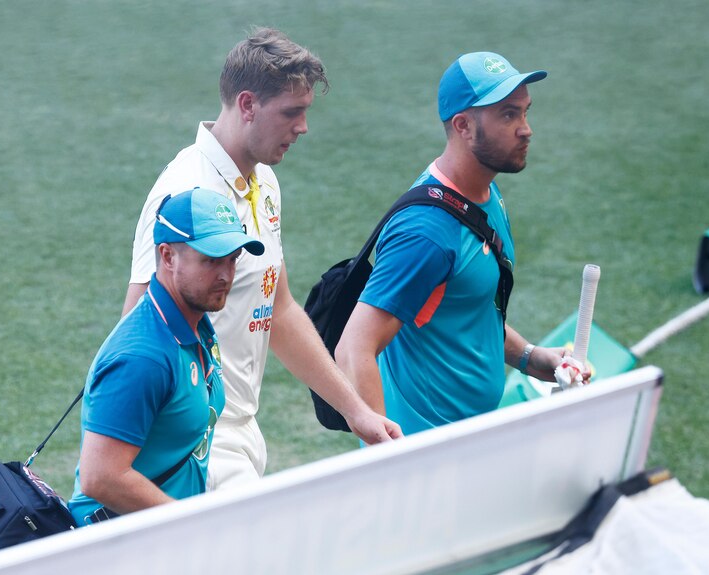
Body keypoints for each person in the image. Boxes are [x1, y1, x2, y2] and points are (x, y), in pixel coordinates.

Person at [123, 28, 401, 490]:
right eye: (292, 112)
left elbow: (279, 307)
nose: (304, 127)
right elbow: (137, 322)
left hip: (243, 430)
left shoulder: (264, 182)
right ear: (248, 104)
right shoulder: (185, 191)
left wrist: (357, 411)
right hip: (193, 441)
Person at [335, 52, 590, 436]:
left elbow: (467, 310)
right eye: (508, 115)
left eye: (524, 112)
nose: (526, 129)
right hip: (427, 454)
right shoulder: (426, 233)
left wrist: (530, 357)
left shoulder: (485, 194)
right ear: (463, 126)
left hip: (469, 440)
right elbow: (353, 351)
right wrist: (386, 456)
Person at [69, 189, 265, 525]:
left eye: (232, 258)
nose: (226, 275)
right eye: (211, 260)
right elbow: (100, 477)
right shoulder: (142, 357)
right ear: (168, 256)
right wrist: (187, 523)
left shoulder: (197, 324)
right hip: (122, 549)